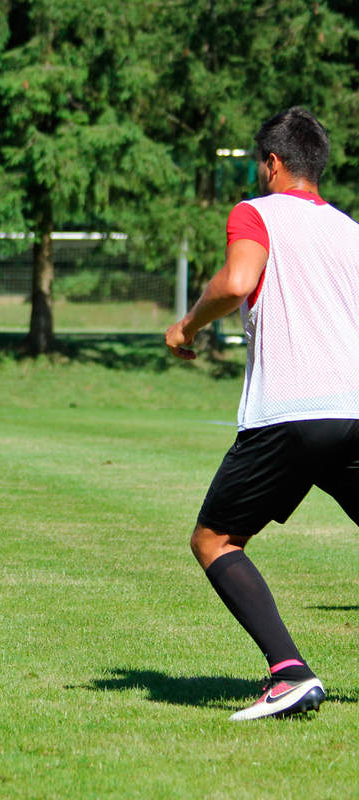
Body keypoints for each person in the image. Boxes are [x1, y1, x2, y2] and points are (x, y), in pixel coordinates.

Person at [164, 106, 359, 721]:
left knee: (215, 539)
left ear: (272, 163)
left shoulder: (256, 212)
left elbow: (236, 279)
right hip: (353, 410)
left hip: (288, 411)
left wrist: (188, 324)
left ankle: (289, 672)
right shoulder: (350, 230)